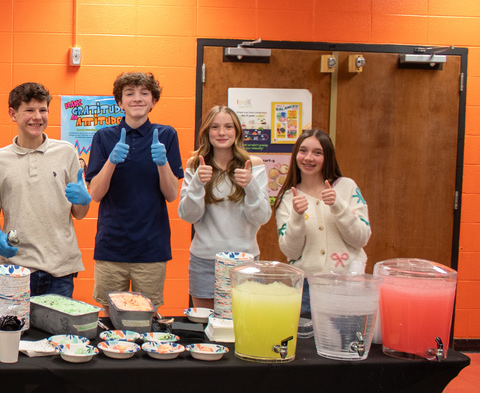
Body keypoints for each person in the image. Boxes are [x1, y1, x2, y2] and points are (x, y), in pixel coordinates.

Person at [85, 72, 183, 310]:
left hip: (151, 248)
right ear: (120, 102)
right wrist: (111, 162)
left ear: (153, 101)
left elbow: (171, 195)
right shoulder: (104, 137)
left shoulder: (166, 135)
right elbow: (95, 194)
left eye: (144, 93)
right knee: (108, 316)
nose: (137, 98)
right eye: (129, 93)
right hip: (111, 246)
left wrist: (163, 164)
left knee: (146, 317)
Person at [0, 82, 89, 297]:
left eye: (43, 110)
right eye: (29, 110)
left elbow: (79, 214)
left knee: (56, 331)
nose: (37, 117)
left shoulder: (66, 152)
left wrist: (84, 199)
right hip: (15, 267)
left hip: (60, 269)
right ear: (13, 114)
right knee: (15, 330)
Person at [178, 106, 270, 309]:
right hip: (204, 260)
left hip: (245, 260)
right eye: (215, 127)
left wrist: (251, 186)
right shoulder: (196, 164)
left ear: (236, 131)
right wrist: (197, 184)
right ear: (206, 132)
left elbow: (261, 217)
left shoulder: (253, 164)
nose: (221, 133)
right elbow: (188, 215)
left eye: (228, 127)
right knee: (205, 327)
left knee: (243, 324)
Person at [274, 128, 371, 315]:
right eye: (303, 151)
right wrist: (296, 216)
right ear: (296, 155)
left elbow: (361, 238)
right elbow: (290, 251)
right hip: (307, 289)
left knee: (345, 342)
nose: (309, 158)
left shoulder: (346, 187)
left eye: (317, 153)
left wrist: (338, 206)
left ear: (327, 157)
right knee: (308, 343)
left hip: (348, 285)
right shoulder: (287, 199)